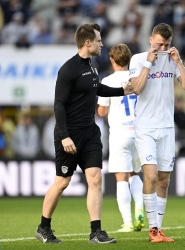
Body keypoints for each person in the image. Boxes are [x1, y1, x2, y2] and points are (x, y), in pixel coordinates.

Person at [34, 23, 132, 244]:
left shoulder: (94, 65)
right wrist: (64, 135)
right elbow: (58, 104)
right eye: (98, 40)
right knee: (62, 182)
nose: (102, 43)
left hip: (90, 133)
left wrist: (121, 91)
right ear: (87, 43)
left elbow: (97, 89)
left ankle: (96, 232)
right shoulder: (68, 69)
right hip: (70, 134)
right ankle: (43, 227)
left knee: (95, 179)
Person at [129, 23, 185, 243]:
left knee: (164, 180)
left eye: (166, 44)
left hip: (167, 127)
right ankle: (153, 230)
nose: (163, 48)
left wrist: (178, 62)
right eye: (159, 44)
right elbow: (136, 89)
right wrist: (150, 62)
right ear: (150, 40)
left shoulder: (172, 58)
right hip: (145, 127)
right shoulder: (138, 59)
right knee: (150, 175)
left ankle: (159, 228)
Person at [97, 44, 144, 233]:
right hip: (139, 132)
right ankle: (140, 209)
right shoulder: (138, 79)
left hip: (119, 133)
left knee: (121, 178)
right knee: (135, 174)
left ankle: (128, 222)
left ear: (112, 60)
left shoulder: (107, 80)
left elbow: (101, 111)